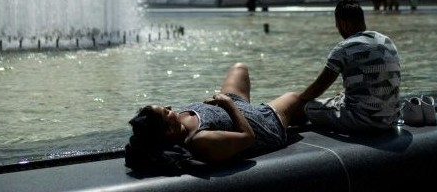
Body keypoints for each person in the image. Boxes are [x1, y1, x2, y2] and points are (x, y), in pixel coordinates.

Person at [125, 62, 304, 174]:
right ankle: (301, 115)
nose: (170, 108)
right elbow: (249, 138)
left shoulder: (176, 124)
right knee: (294, 97)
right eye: (166, 112)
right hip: (263, 125)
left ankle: (295, 115)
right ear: (169, 130)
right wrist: (227, 103)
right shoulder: (200, 139)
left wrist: (225, 102)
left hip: (234, 105)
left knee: (239, 68)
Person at [299, 0, 401, 133]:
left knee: (308, 107)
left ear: (343, 24)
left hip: (362, 120)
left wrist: (300, 99)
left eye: (337, 25)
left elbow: (319, 86)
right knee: (340, 96)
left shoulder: (343, 48)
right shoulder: (387, 41)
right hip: (391, 118)